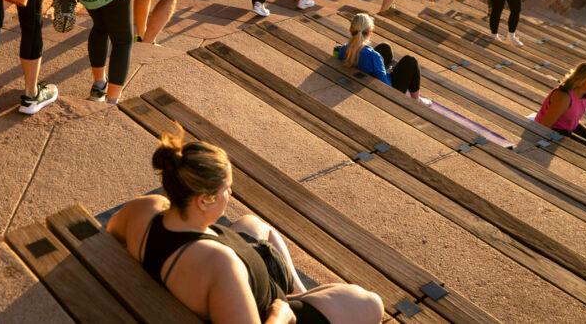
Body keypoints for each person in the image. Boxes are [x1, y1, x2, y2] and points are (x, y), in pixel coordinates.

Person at [107, 125, 385, 324]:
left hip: (243, 279)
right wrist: (282, 314)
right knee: (370, 303)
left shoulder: (146, 208)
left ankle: (300, 293)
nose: (231, 194)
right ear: (204, 200)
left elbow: (111, 235)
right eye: (227, 188)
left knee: (252, 224)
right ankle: (298, 300)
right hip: (273, 311)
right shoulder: (219, 263)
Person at [334, 14, 427, 103]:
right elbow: (386, 86)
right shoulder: (374, 56)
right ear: (370, 32)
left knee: (384, 47)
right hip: (385, 92)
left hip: (364, 72)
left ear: (351, 30)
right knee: (410, 61)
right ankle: (416, 100)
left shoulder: (344, 49)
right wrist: (389, 72)